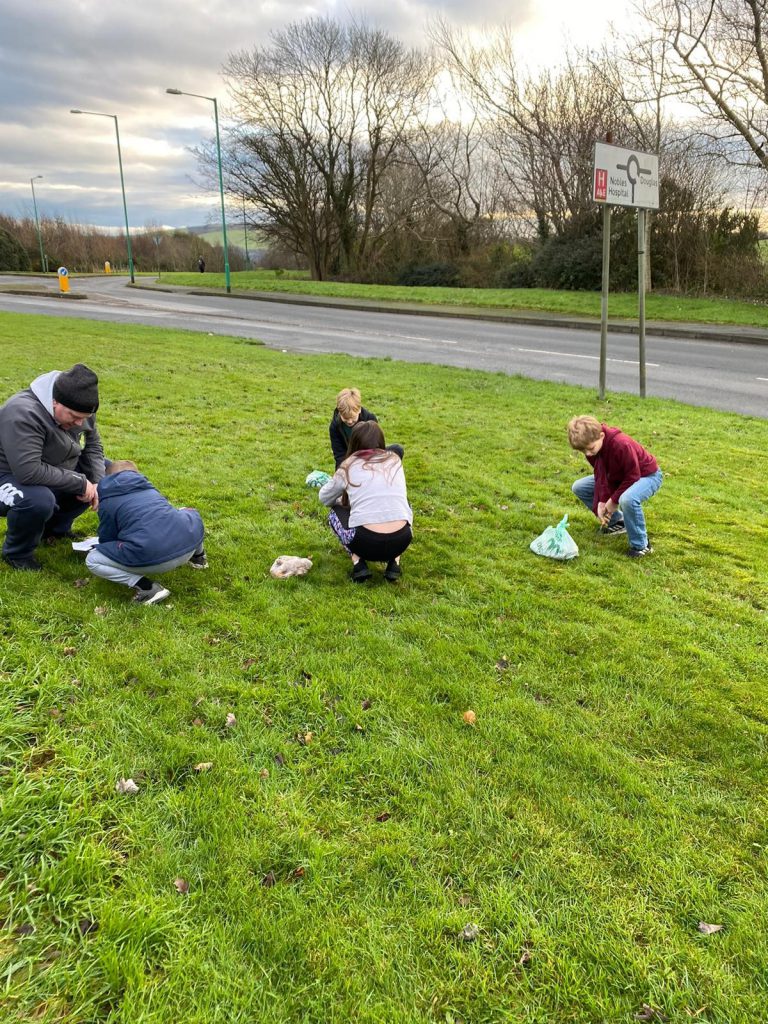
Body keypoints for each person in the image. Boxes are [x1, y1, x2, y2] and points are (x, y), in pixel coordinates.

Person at [0, 364, 105, 571]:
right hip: (7, 476)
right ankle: (17, 554)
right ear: (54, 401)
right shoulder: (23, 412)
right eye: (73, 417)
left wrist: (98, 483)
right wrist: (80, 483)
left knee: (106, 475)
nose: (79, 423)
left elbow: (94, 447)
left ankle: (54, 530)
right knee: (38, 500)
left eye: (83, 418)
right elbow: (28, 471)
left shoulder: (82, 408)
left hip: (49, 467)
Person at [85, 460, 206, 605]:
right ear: (136, 474)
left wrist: (105, 547)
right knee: (186, 513)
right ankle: (199, 558)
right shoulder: (150, 489)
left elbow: (107, 538)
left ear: (108, 478)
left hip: (151, 559)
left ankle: (147, 588)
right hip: (188, 548)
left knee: (92, 559)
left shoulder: (108, 500)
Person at [319, 421, 412, 582]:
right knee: (404, 505)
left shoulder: (347, 466)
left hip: (365, 543)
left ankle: (358, 564)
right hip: (402, 540)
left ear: (354, 442)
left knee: (334, 513)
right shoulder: (395, 460)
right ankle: (394, 562)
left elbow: (325, 498)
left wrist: (344, 499)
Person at [568, 415, 662, 557]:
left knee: (627, 499)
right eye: (583, 451)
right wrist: (600, 501)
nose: (588, 453)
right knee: (579, 487)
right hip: (621, 477)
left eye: (590, 448)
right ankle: (617, 523)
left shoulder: (621, 444)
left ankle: (641, 545)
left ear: (601, 436)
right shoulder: (592, 448)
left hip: (647, 476)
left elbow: (632, 476)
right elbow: (602, 475)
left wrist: (612, 501)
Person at [329, 388, 404, 469]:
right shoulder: (335, 426)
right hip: (351, 460)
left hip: (371, 455)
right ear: (339, 413)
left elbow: (377, 446)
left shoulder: (370, 419)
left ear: (359, 410)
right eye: (345, 418)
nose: (350, 421)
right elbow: (339, 455)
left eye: (352, 417)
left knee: (397, 449)